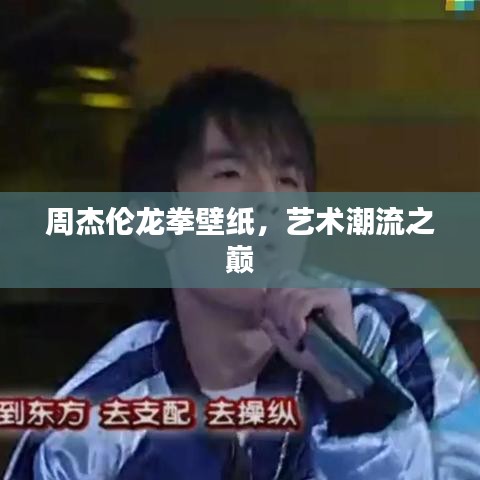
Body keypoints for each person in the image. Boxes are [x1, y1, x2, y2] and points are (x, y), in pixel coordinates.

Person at [5, 67, 480, 480]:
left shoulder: (399, 338)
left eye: (288, 181)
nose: (269, 202)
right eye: (230, 175)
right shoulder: (95, 420)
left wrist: (354, 397)